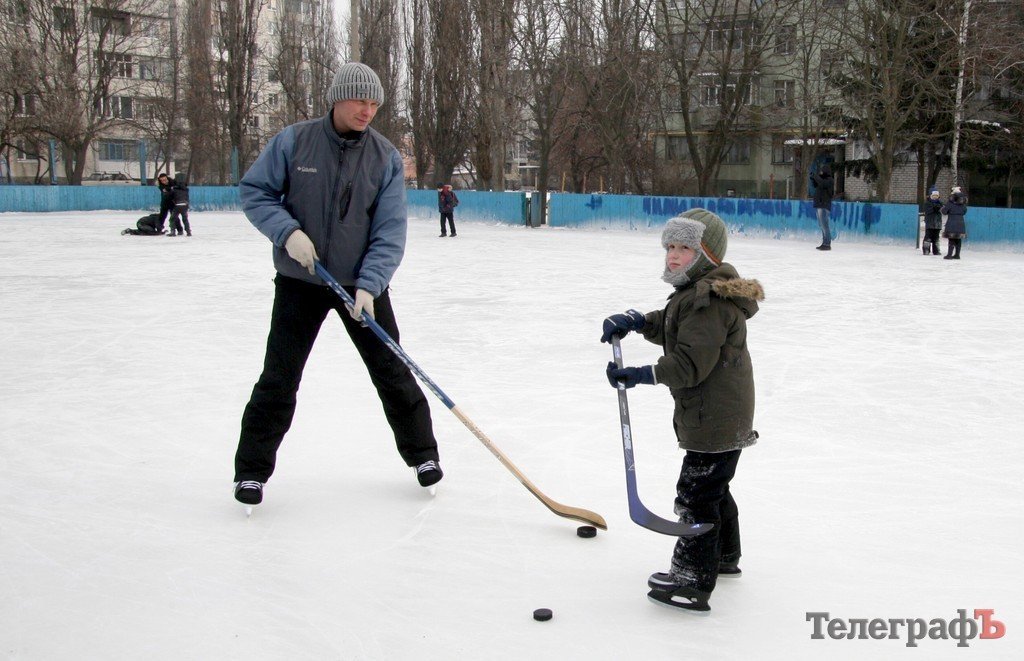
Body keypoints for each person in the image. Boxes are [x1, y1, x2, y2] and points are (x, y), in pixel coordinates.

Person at [232, 62, 443, 508]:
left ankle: (422, 455)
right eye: (360, 102)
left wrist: (370, 285)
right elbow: (255, 193)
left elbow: (389, 231)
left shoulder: (384, 157)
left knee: (392, 370)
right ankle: (251, 472)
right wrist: (287, 233)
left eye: (374, 104)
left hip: (361, 287)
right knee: (279, 376)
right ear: (337, 98)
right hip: (300, 281)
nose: (368, 111)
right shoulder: (294, 142)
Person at [600, 208, 763, 613]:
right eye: (670, 246)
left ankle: (692, 581)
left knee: (697, 495)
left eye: (684, 248)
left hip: (714, 417)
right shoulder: (698, 293)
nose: (672, 256)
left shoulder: (708, 299)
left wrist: (641, 374)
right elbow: (677, 325)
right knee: (714, 488)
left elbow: (689, 363)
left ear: (706, 254)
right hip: (723, 414)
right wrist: (640, 321)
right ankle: (724, 556)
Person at [810, 164, 834, 250]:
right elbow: (816, 185)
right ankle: (824, 242)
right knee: (822, 225)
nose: (821, 172)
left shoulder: (830, 180)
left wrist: (816, 177)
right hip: (820, 204)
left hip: (824, 205)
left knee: (824, 225)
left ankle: (827, 244)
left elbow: (823, 184)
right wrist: (813, 178)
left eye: (822, 171)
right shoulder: (822, 180)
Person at [942, 186, 967, 260]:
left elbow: (944, 212)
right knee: (958, 239)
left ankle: (949, 255)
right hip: (961, 223)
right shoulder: (963, 203)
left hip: (952, 222)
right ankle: (957, 255)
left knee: (951, 239)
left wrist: (942, 208)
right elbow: (964, 211)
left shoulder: (950, 202)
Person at [921, 188, 943, 255]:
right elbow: (927, 211)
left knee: (936, 237)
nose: (935, 197)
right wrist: (934, 208)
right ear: (930, 196)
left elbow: (942, 211)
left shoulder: (940, 203)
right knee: (928, 237)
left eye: (936, 196)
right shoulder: (927, 203)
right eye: (933, 196)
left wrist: (938, 208)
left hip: (937, 224)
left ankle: (936, 251)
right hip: (930, 223)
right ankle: (926, 250)